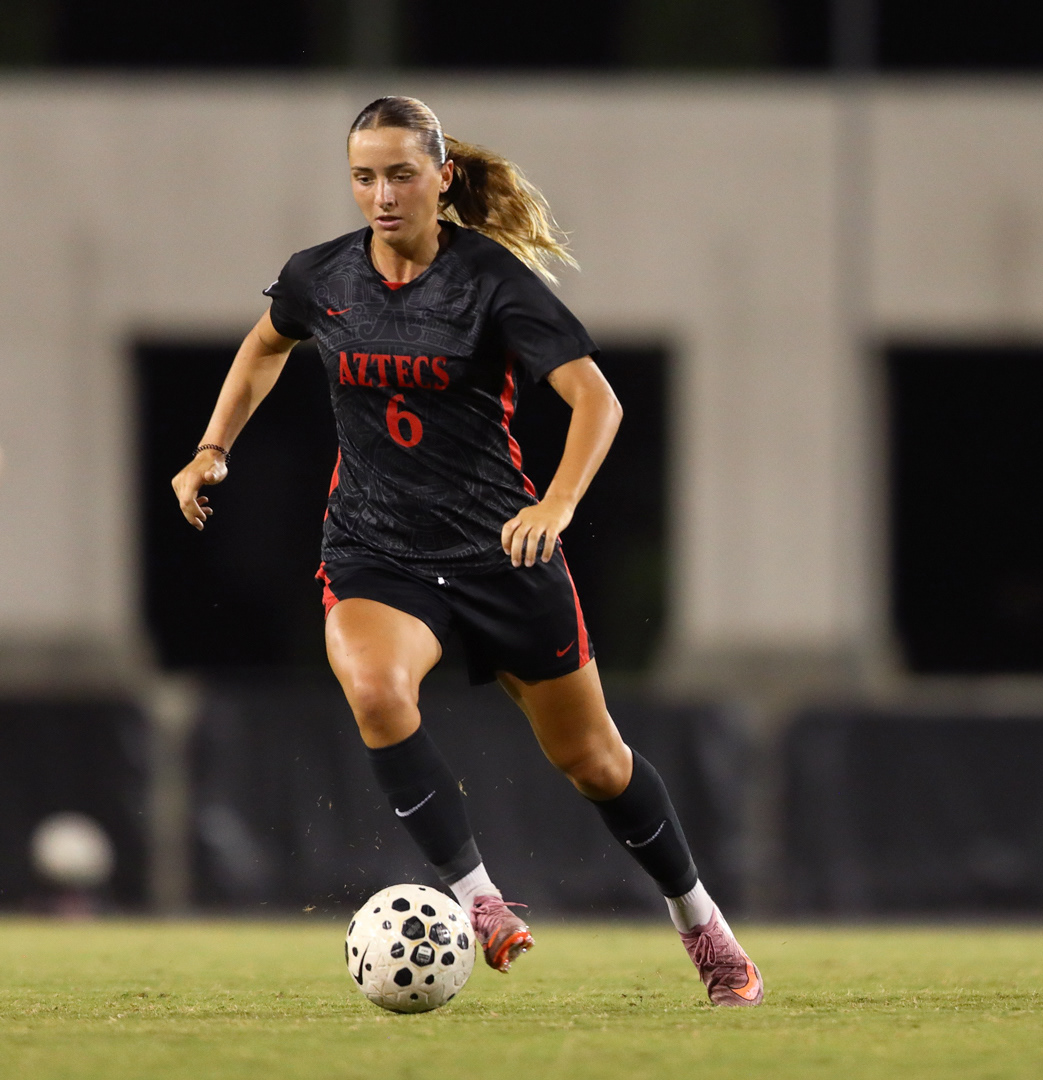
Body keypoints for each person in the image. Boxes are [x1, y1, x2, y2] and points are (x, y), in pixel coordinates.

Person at [170, 96, 763, 1007]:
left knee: (596, 762)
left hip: (500, 553)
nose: (381, 194)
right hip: (377, 552)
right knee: (376, 688)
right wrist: (213, 448)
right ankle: (479, 902)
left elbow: (597, 402)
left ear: (442, 178)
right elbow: (262, 348)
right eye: (364, 176)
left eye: (401, 174)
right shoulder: (318, 275)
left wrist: (558, 505)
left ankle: (704, 927)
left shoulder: (491, 280)